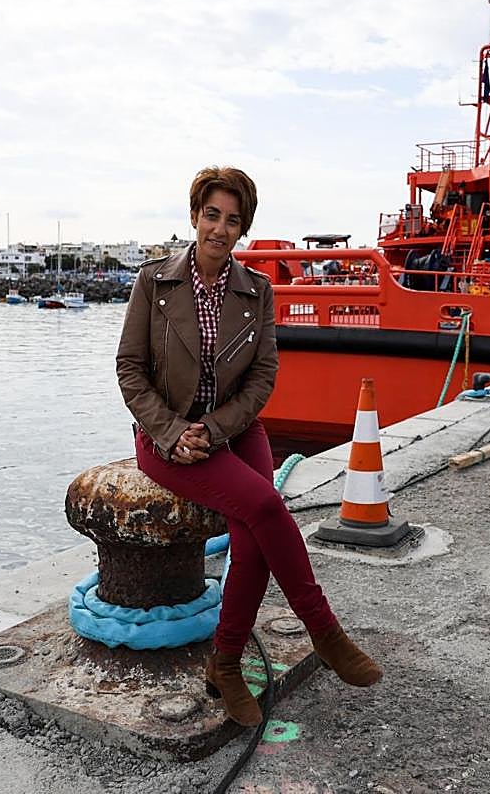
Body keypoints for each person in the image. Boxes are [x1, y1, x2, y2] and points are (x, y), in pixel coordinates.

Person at [115, 166, 382, 727]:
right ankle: (324, 630)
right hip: (163, 436)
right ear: (194, 217)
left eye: (232, 220)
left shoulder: (255, 292)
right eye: (211, 215)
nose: (219, 228)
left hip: (233, 429)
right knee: (264, 507)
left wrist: (213, 430)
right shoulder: (153, 283)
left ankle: (226, 663)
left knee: (255, 537)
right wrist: (171, 431)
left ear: (243, 229)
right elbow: (130, 369)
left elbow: (262, 378)